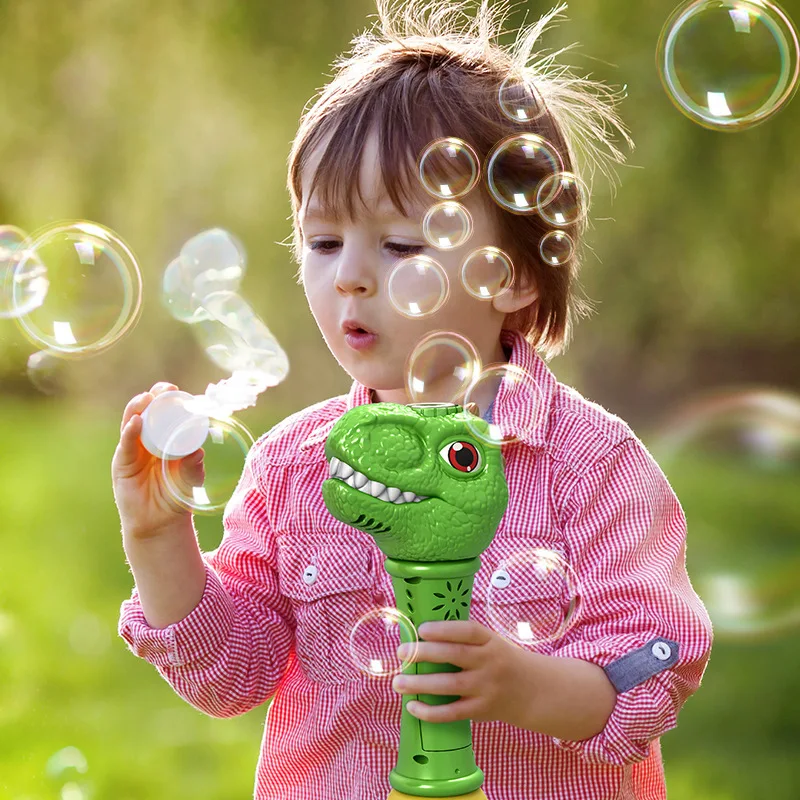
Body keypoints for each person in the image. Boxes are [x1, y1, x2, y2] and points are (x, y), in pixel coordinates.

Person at [112, 2, 713, 798]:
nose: (350, 276)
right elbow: (234, 674)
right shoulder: (294, 469)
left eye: (400, 245)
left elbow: (653, 664)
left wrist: (526, 686)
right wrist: (159, 540)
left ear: (518, 273)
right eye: (323, 242)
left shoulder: (590, 469)